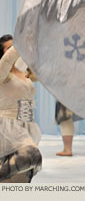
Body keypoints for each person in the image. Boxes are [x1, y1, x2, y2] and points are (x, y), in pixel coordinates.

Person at [0, 34, 42, 183]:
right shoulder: (2, 73)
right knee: (32, 156)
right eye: (9, 48)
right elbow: (7, 60)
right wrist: (21, 41)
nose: (14, 50)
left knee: (21, 177)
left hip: (26, 126)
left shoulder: (24, 72)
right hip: (7, 127)